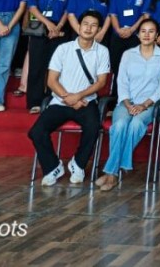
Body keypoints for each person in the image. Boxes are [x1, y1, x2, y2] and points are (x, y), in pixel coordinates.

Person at [28, 10, 110, 186]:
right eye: (85, 24)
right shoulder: (63, 49)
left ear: (99, 29)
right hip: (60, 101)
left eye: (93, 25)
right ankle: (53, 167)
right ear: (78, 26)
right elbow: (51, 80)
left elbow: (101, 82)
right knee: (36, 131)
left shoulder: (102, 51)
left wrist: (78, 96)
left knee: (93, 127)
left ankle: (78, 164)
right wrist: (67, 97)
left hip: (86, 102)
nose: (88, 28)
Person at [94, 19, 160, 191]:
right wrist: (128, 104)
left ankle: (111, 173)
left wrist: (144, 105)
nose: (147, 34)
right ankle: (115, 171)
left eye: (151, 31)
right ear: (138, 34)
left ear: (157, 35)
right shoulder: (128, 54)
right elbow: (121, 82)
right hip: (127, 102)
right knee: (120, 124)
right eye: (143, 31)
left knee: (136, 124)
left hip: (150, 105)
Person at [26, 0, 71, 113]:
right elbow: (32, 8)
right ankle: (35, 102)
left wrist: (57, 27)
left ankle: (53, 99)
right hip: (39, 27)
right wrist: (48, 24)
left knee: (56, 67)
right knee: (36, 66)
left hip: (59, 29)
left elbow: (67, 11)